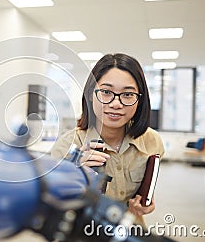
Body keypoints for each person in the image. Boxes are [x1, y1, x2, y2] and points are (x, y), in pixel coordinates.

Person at [51, 53, 165, 227]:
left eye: (127, 94)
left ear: (139, 101)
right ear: (90, 94)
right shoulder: (67, 145)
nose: (116, 104)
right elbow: (52, 207)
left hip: (131, 231)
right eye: (105, 92)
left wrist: (145, 204)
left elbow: (145, 190)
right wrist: (77, 174)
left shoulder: (151, 140)